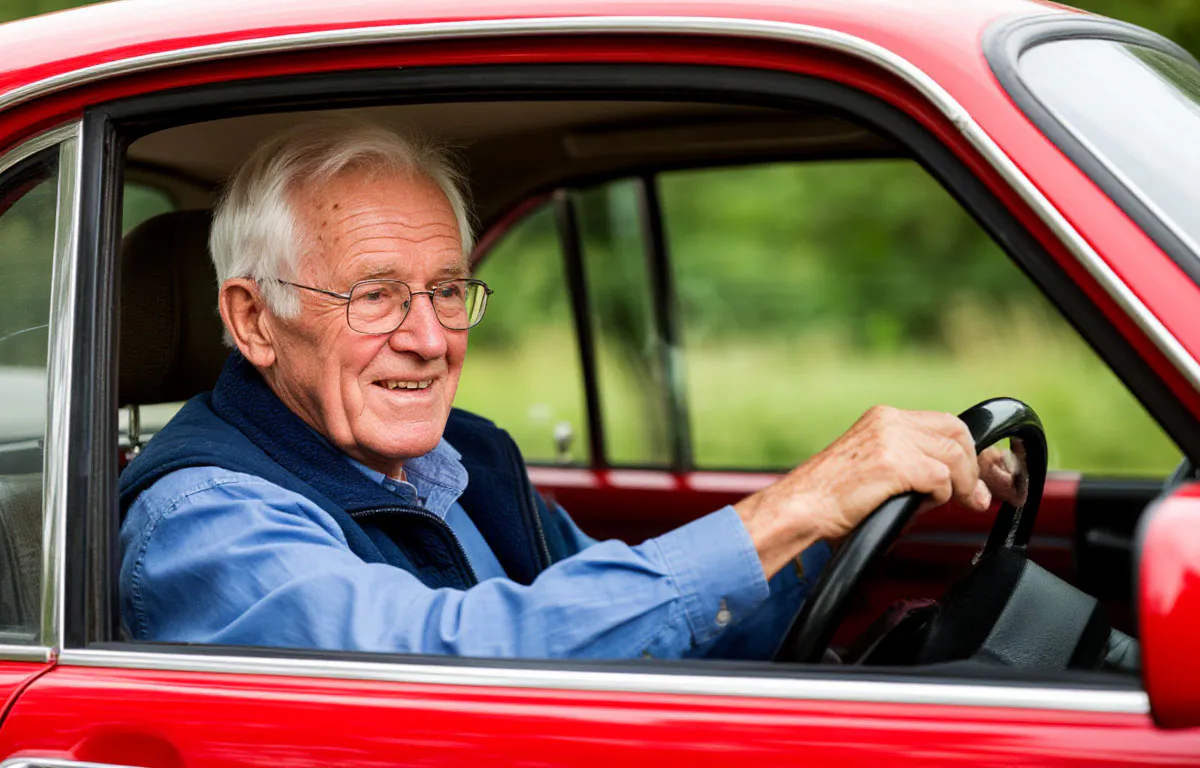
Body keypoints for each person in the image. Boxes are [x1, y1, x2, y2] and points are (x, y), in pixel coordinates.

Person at [118, 118, 1022, 659]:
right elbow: (446, 671)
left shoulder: (460, 456)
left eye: (445, 289)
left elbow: (633, 630)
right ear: (252, 321)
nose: (431, 338)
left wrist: (851, 516)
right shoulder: (206, 519)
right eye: (376, 295)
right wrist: (800, 505)